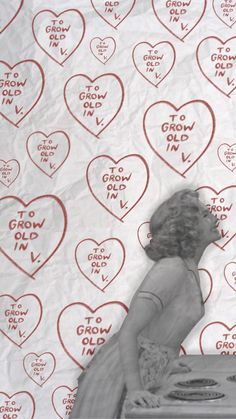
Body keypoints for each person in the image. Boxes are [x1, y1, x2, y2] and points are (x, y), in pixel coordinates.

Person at [69, 188, 220, 419]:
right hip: (122, 377)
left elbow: (161, 329)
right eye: (204, 216)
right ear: (187, 228)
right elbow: (129, 331)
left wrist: (165, 365)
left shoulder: (188, 267)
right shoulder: (171, 269)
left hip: (148, 372)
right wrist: (135, 389)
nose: (215, 218)